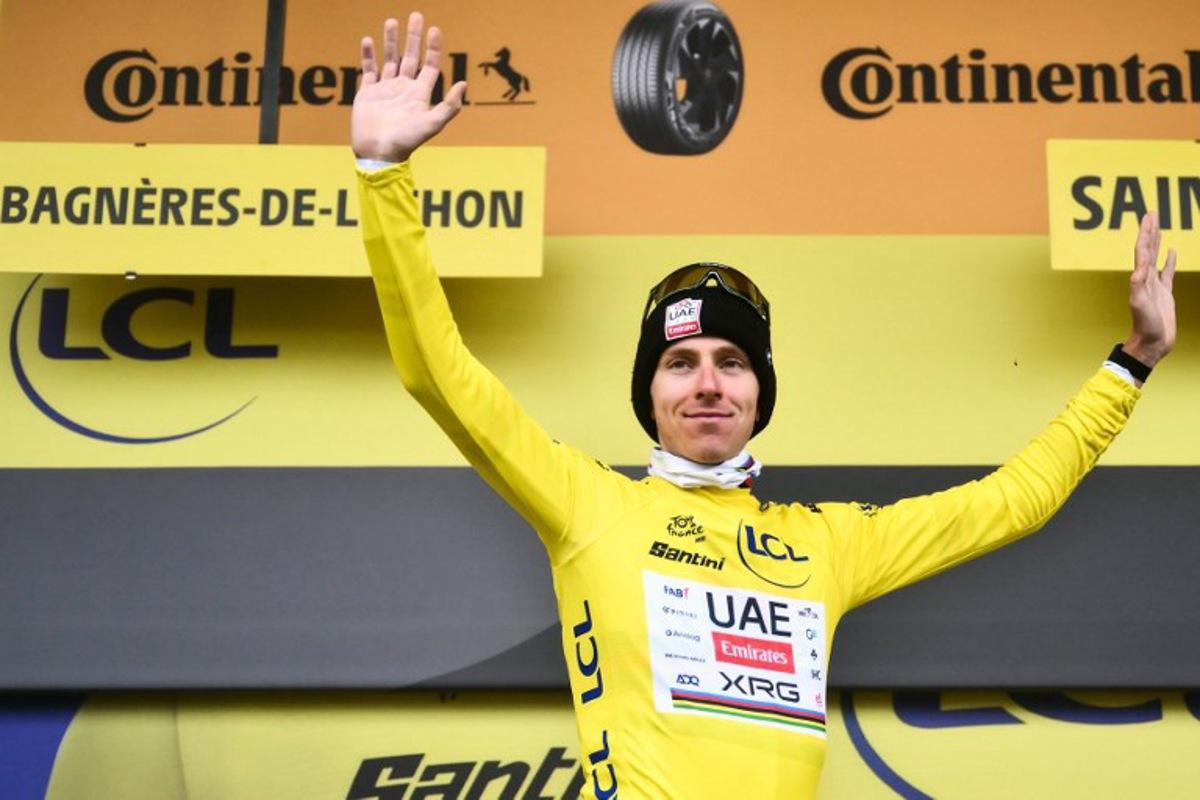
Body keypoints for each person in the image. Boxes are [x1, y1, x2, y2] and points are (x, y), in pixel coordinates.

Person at [351, 12, 1177, 799]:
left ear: (759, 394)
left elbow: (1015, 502)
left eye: (733, 363)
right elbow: (437, 371)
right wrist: (383, 176)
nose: (708, 383)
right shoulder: (586, 507)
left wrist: (1133, 361)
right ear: (649, 395)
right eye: (680, 364)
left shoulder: (827, 545)